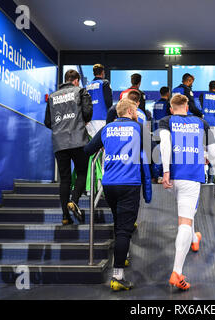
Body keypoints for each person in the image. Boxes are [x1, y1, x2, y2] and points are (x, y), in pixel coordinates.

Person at [84, 98, 152, 291]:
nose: (137, 113)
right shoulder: (139, 129)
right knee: (124, 229)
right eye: (136, 111)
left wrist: (106, 146)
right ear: (130, 111)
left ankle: (123, 257)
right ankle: (117, 276)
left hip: (109, 184)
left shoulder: (107, 129)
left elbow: (88, 150)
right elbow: (150, 152)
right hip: (129, 183)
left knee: (119, 224)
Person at [159, 94, 215, 291]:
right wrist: (212, 163)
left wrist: (166, 171)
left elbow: (165, 146)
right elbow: (213, 153)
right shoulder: (202, 123)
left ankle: (195, 239)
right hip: (191, 177)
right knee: (184, 221)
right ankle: (177, 271)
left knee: (188, 213)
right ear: (187, 107)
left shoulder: (166, 121)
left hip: (174, 176)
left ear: (171, 108)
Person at [44, 69, 93, 225]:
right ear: (76, 81)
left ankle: (65, 217)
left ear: (65, 80)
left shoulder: (52, 97)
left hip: (60, 142)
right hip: (78, 139)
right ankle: (74, 200)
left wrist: (60, 128)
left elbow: (47, 122)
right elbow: (87, 113)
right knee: (82, 171)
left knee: (64, 179)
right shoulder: (81, 91)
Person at [85, 64, 113, 138]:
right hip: (102, 117)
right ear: (102, 72)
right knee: (102, 143)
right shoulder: (105, 83)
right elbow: (108, 101)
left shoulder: (87, 86)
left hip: (90, 120)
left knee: (93, 144)